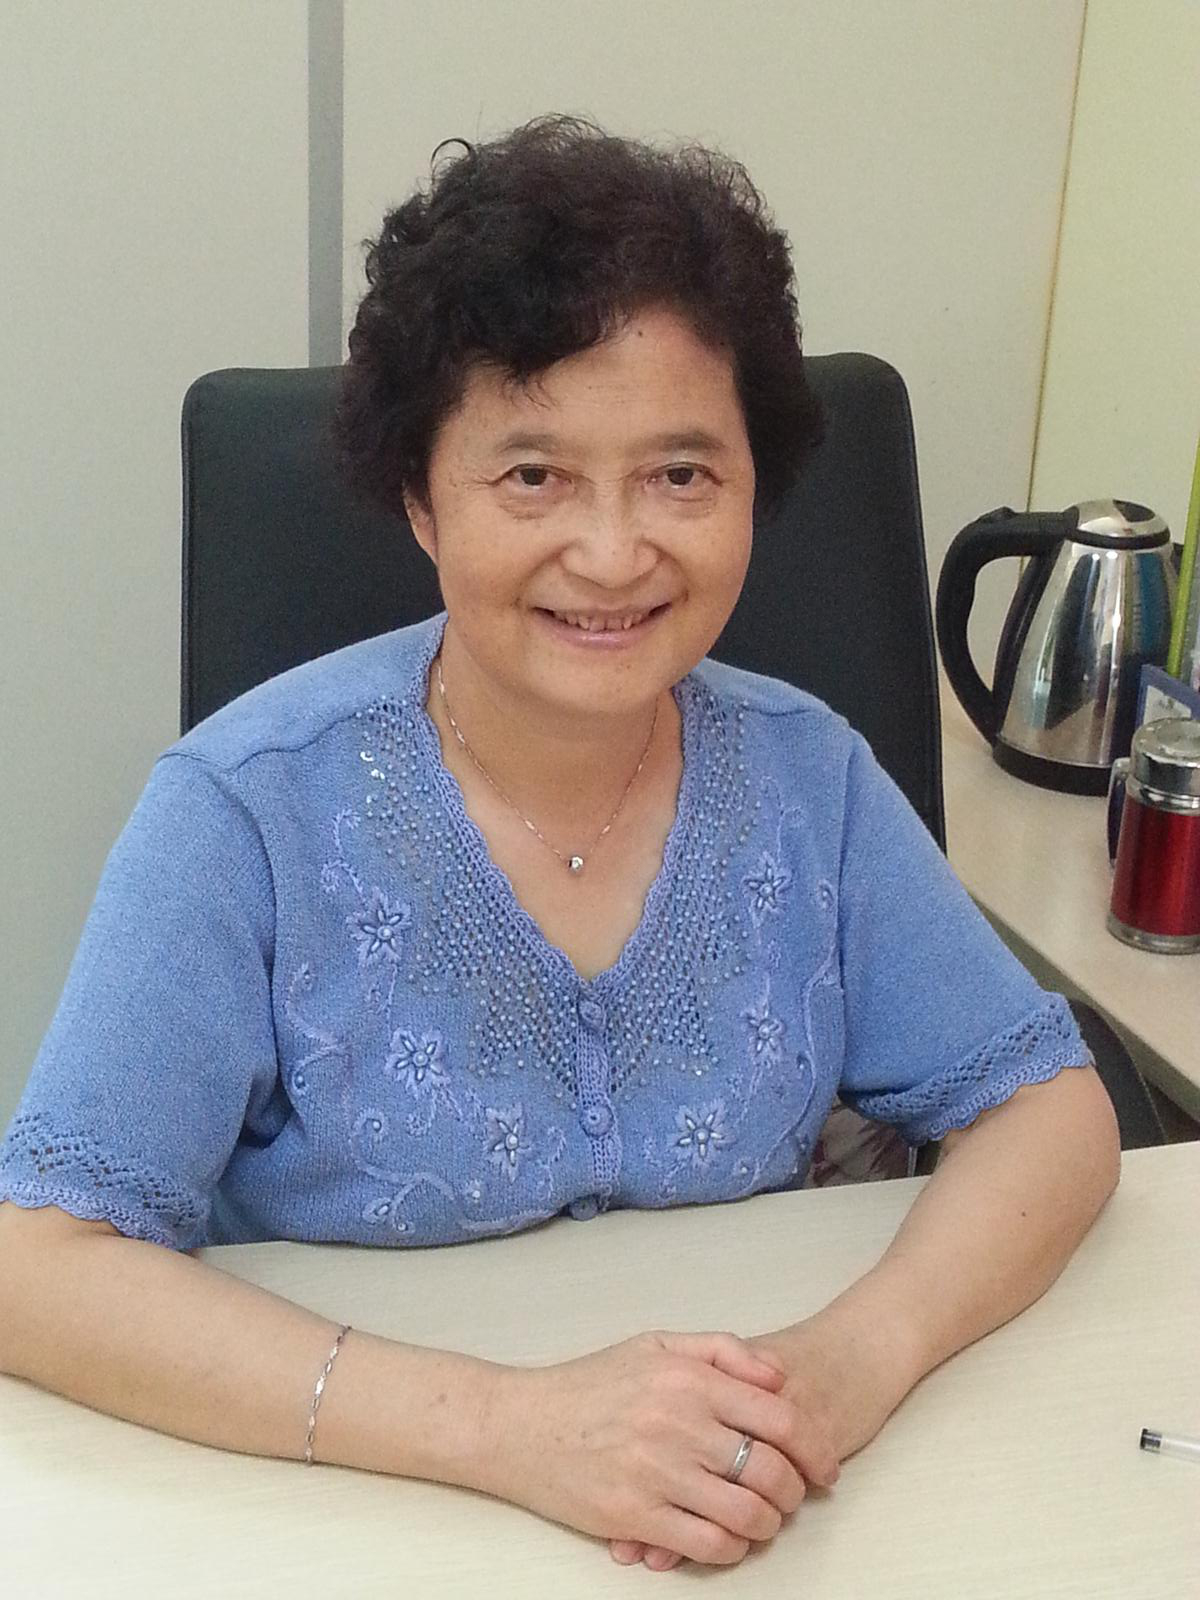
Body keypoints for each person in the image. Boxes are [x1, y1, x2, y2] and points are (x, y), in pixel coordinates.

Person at [0, 114, 1119, 1573]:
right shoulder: (240, 812)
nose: (611, 552)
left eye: (681, 475)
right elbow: (38, 1265)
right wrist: (508, 1427)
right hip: (348, 1527)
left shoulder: (809, 776)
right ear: (421, 497)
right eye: (532, 476)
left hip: (759, 1521)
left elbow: (1051, 1115)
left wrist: (849, 1365)